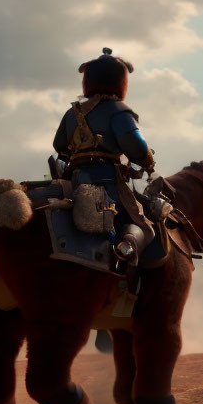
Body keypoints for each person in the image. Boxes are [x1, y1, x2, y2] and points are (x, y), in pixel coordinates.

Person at [53, 48, 156, 266]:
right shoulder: (119, 111)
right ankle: (126, 250)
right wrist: (148, 160)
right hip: (107, 182)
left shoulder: (73, 113)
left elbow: (59, 145)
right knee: (143, 225)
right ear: (120, 82)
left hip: (73, 180)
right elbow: (137, 148)